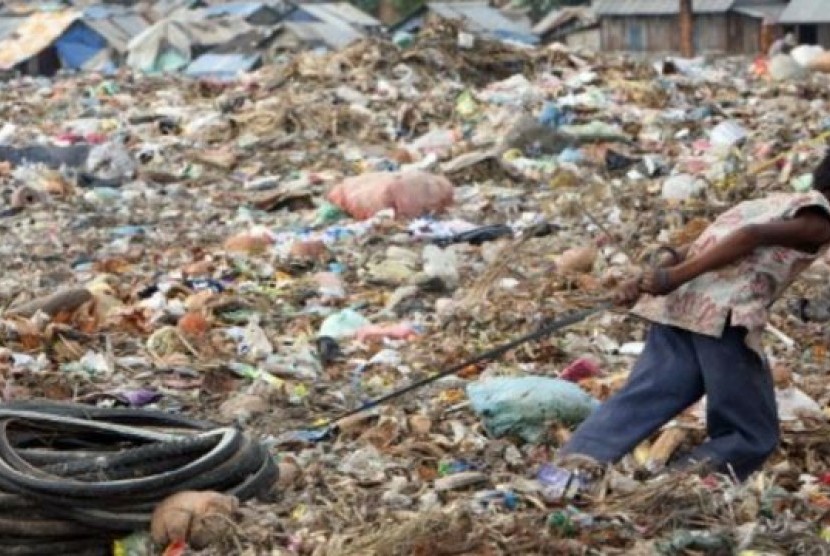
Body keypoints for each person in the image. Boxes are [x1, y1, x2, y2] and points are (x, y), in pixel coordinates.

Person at [557, 150, 830, 482]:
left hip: (678, 309)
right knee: (751, 433)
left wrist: (653, 276)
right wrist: (674, 276)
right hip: (722, 317)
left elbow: (700, 245)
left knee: (647, 395)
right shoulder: (818, 221)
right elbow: (750, 237)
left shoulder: (772, 202)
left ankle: (565, 473)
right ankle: (675, 488)